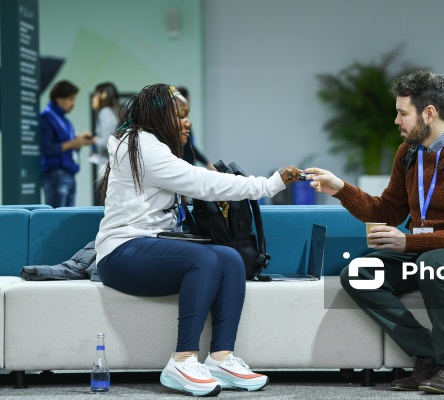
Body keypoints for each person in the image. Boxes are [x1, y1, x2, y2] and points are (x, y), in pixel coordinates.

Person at [95, 83, 303, 397]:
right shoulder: (140, 146)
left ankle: (220, 358)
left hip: (149, 247)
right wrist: (269, 184)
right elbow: (201, 182)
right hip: (122, 253)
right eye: (181, 115)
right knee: (203, 259)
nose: (188, 122)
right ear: (160, 116)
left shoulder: (149, 145)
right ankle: (182, 360)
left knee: (230, 258)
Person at [305, 70, 444, 394]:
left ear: (429, 113)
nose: (396, 120)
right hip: (424, 254)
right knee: (358, 273)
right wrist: (340, 188)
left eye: (402, 112)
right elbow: (386, 210)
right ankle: (430, 357)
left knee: (434, 264)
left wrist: (408, 240)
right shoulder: (409, 154)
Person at [40, 80, 95, 207]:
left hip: (69, 174)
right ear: (58, 99)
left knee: (67, 219)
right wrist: (73, 143)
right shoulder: (46, 117)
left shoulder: (64, 120)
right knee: (56, 218)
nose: (73, 104)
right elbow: (47, 148)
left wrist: (80, 140)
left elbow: (64, 140)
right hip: (56, 175)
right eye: (70, 99)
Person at [90, 82, 120, 204]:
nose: (93, 99)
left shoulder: (105, 112)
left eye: (96, 95)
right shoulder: (114, 111)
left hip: (106, 168)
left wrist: (93, 140)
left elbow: (109, 142)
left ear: (104, 95)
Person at [177, 86, 215, 170]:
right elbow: (189, 147)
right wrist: (207, 163)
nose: (189, 123)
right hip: (183, 168)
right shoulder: (178, 124)